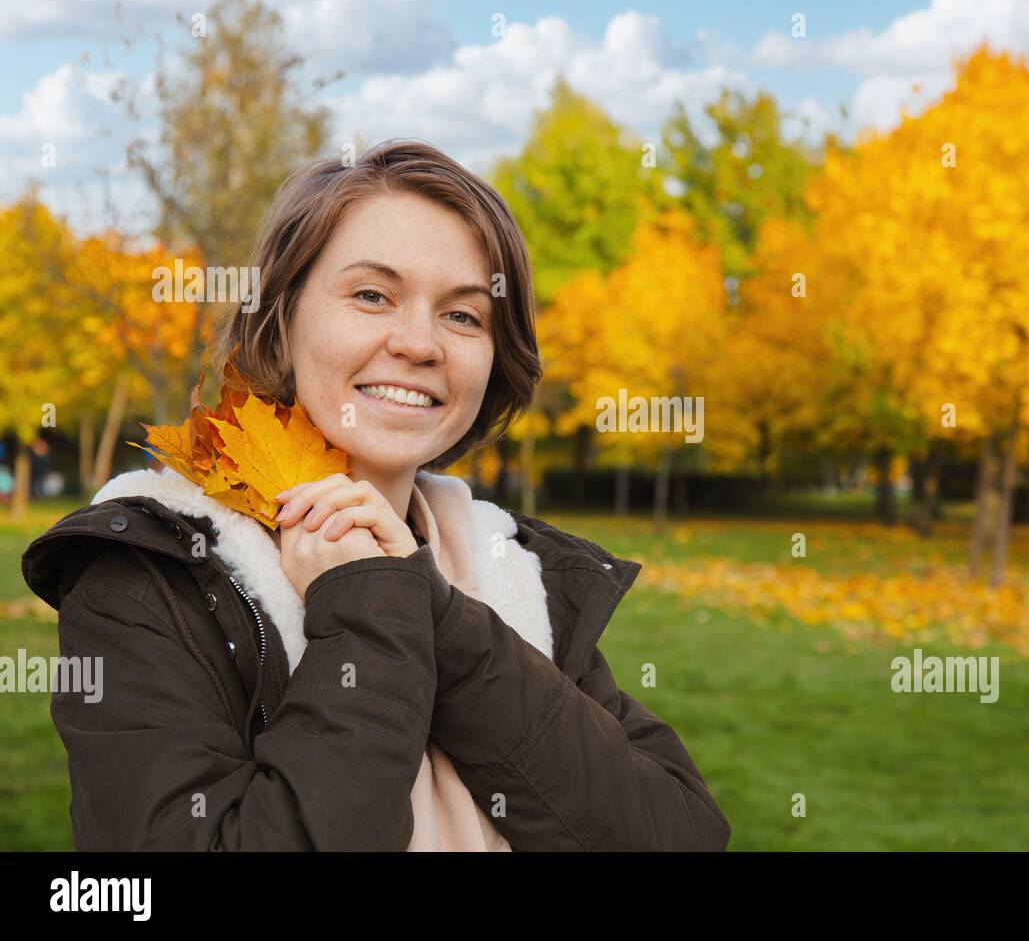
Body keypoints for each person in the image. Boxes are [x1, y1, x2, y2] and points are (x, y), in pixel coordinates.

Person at [21, 139, 730, 852]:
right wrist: (368, 612)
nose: (420, 343)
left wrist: (441, 619)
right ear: (282, 317)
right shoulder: (154, 574)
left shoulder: (509, 572)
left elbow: (677, 834)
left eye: (463, 315)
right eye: (372, 295)